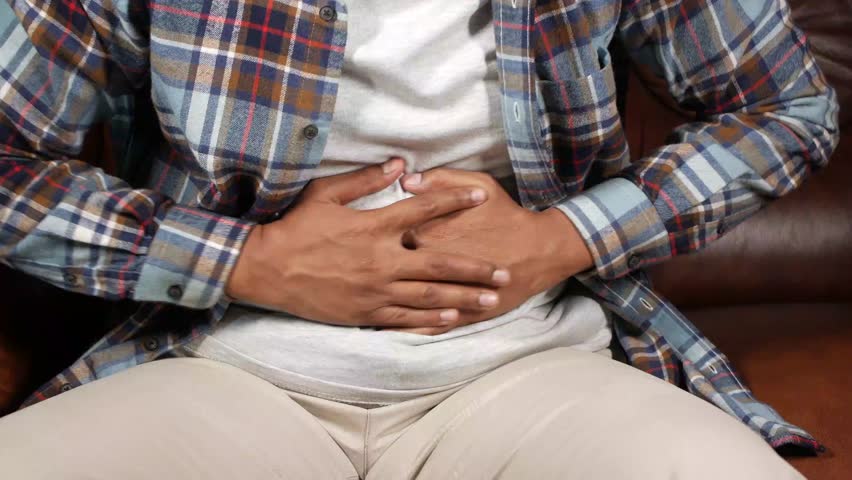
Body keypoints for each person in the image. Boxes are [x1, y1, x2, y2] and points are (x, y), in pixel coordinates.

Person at [0, 0, 838, 478]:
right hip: (225, 367)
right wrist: (249, 262)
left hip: (535, 369)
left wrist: (564, 237)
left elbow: (788, 107)